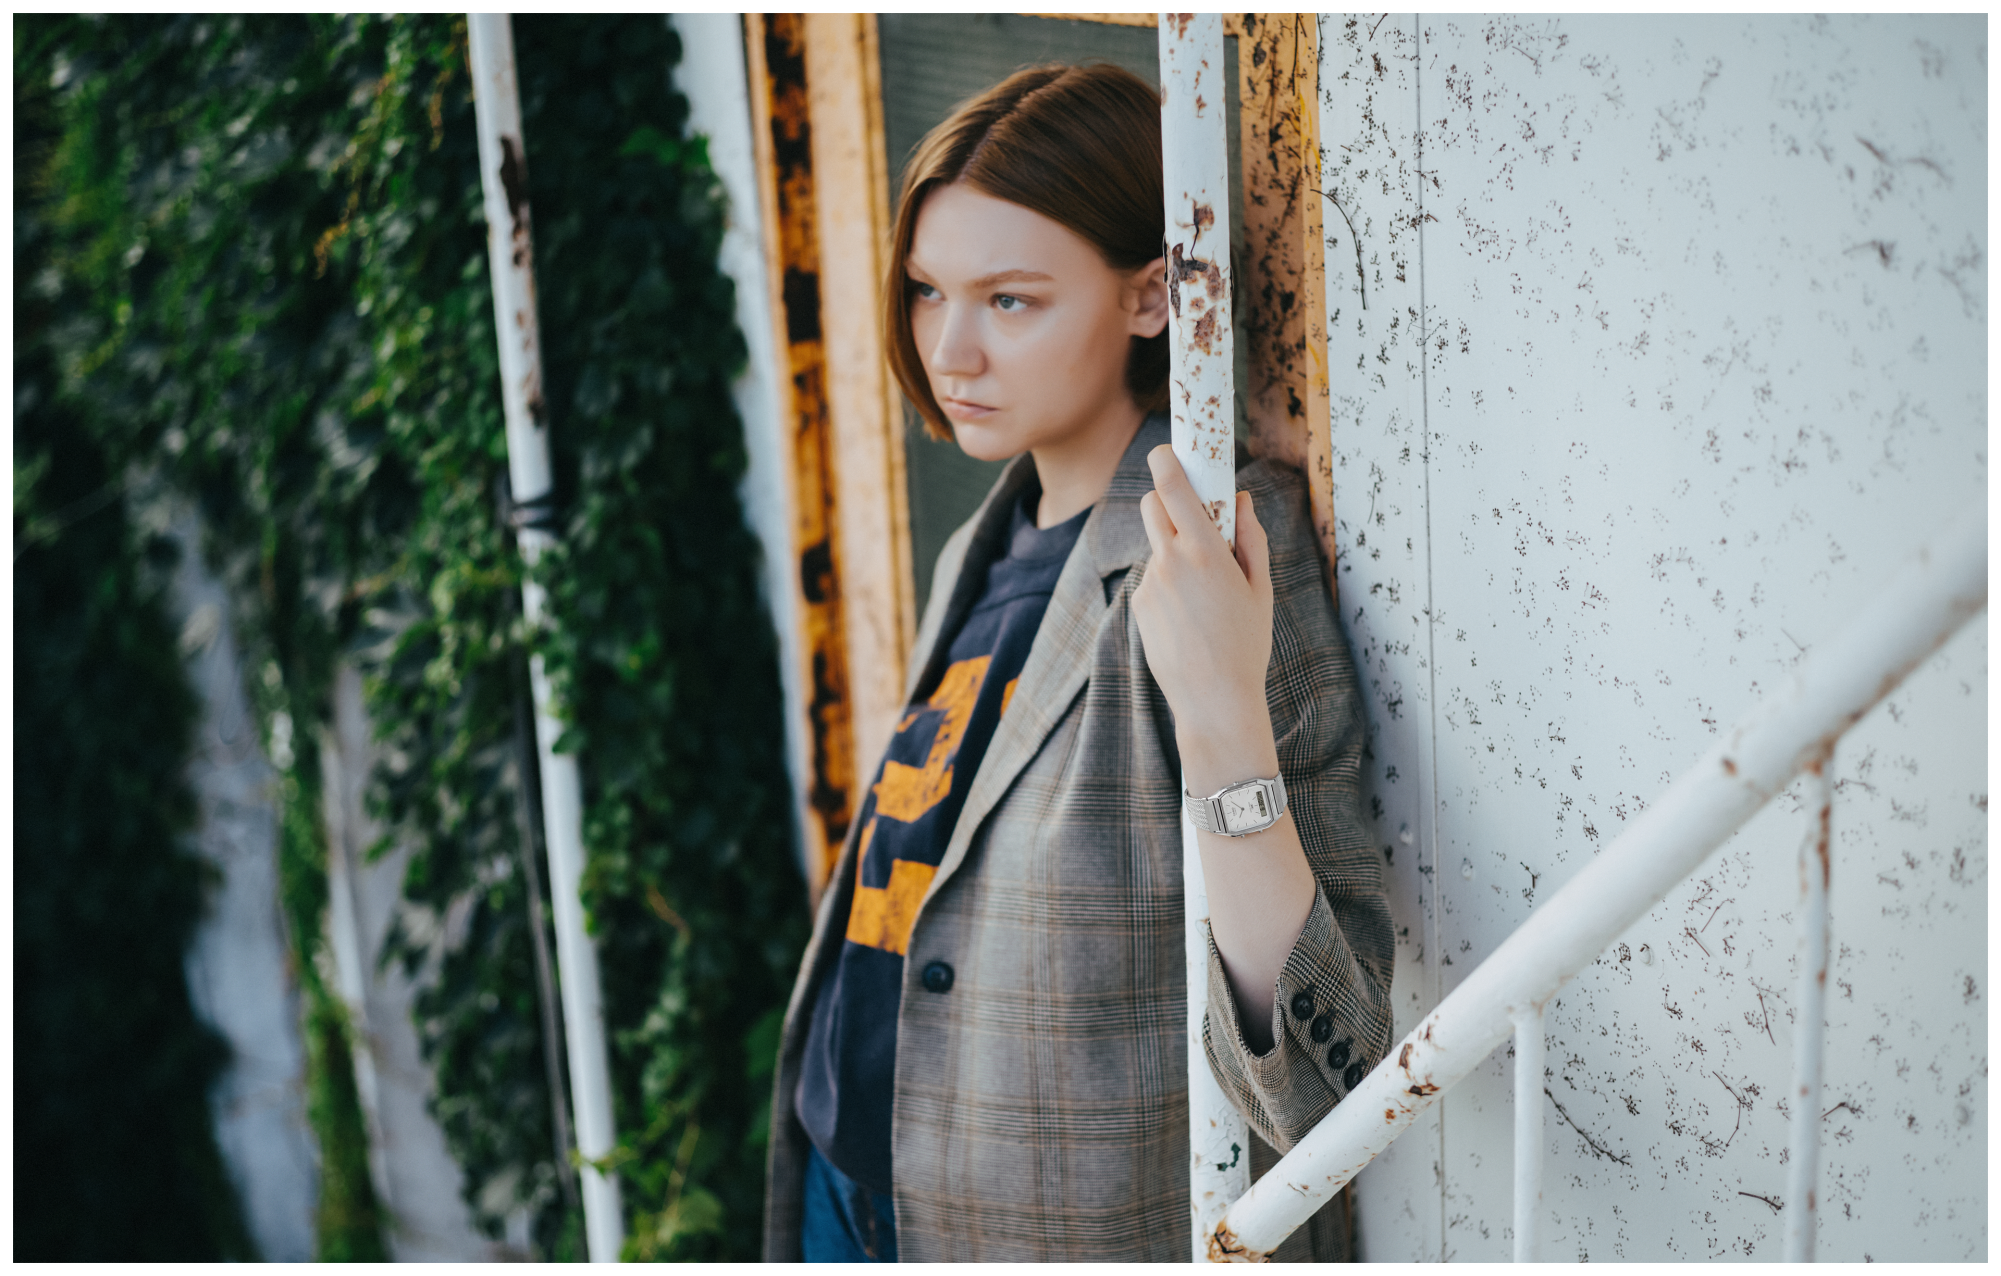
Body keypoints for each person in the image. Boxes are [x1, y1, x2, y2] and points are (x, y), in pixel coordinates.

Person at [763, 62, 1393, 1262]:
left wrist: (1222, 726)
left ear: (1150, 298)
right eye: (927, 291)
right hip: (853, 1183)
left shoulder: (1221, 555)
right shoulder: (981, 540)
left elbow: (1329, 1079)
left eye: (1010, 300)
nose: (950, 349)